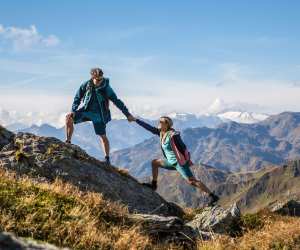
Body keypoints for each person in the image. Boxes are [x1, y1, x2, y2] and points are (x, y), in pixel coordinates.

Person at [134, 116, 219, 206]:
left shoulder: (173, 135)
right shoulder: (161, 133)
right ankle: (154, 185)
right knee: (154, 163)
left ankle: (212, 196)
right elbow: (148, 128)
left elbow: (183, 148)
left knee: (192, 181)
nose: (159, 122)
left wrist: (187, 160)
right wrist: (136, 120)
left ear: (167, 124)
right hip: (170, 162)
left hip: (179, 163)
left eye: (161, 121)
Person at [65, 68, 135, 165]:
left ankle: (107, 159)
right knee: (68, 117)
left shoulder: (106, 88)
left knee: (102, 136)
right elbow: (77, 98)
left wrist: (127, 114)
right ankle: (68, 142)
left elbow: (117, 101)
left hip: (99, 115)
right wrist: (73, 110)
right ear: (92, 77)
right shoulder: (86, 84)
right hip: (86, 110)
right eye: (97, 80)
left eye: (101, 79)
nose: (99, 81)